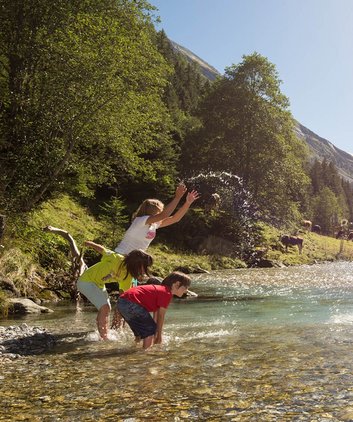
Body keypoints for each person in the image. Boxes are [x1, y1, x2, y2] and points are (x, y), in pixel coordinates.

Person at [77, 240, 153, 340]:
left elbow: (124, 296)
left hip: (98, 284)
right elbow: (102, 250)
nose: (144, 271)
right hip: (86, 282)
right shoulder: (116, 258)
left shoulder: (128, 276)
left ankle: (103, 333)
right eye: (144, 267)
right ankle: (104, 338)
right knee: (105, 308)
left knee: (106, 308)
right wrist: (89, 243)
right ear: (136, 264)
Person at [115, 184, 200, 254]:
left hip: (134, 260)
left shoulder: (154, 225)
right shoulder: (140, 220)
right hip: (121, 256)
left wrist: (187, 203)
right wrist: (177, 197)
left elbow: (175, 218)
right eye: (160, 210)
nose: (161, 212)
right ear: (154, 211)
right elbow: (165, 215)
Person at [117, 271, 191, 349]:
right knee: (149, 330)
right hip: (131, 303)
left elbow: (156, 316)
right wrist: (159, 336)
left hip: (122, 303)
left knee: (140, 331)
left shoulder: (160, 291)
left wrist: (156, 333)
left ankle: (135, 348)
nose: (186, 290)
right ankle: (146, 352)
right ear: (177, 284)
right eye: (186, 287)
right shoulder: (166, 293)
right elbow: (161, 316)